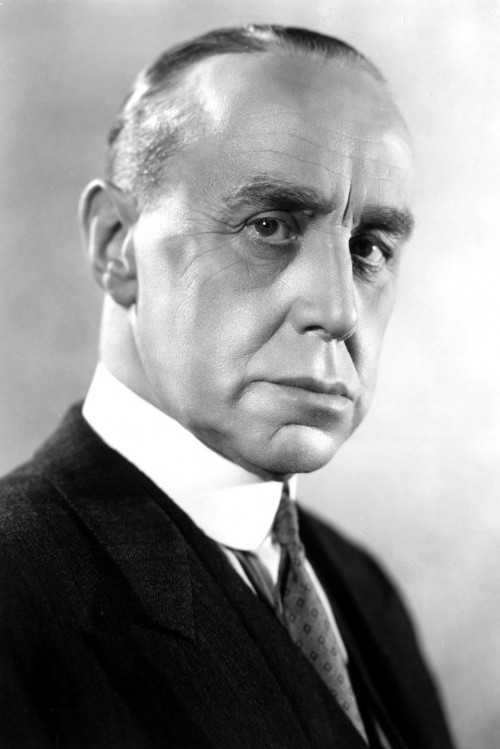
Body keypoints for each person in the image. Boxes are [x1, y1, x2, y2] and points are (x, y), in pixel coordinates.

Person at [0, 24, 455, 749]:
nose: (339, 309)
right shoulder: (17, 589)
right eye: (269, 226)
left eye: (369, 247)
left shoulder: (361, 587)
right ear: (117, 245)